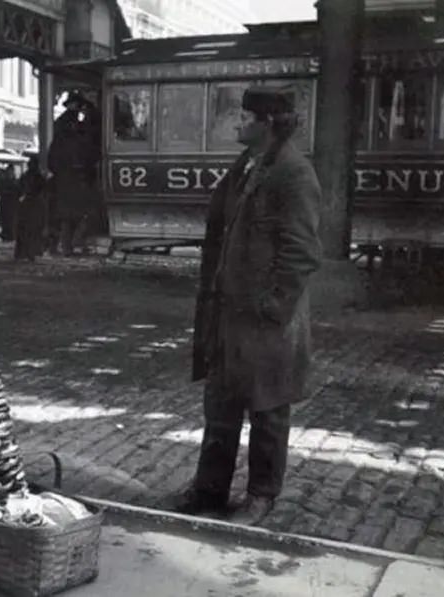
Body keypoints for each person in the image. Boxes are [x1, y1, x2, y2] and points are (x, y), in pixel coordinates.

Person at [174, 86, 323, 526]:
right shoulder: (245, 167)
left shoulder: (293, 174)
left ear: (269, 123)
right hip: (228, 316)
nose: (235, 123)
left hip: (265, 322)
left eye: (244, 116)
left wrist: (271, 308)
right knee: (220, 404)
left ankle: (261, 496)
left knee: (267, 409)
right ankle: (209, 489)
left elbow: (301, 252)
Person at [48, 91, 99, 256]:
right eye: (78, 105)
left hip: (67, 174)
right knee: (69, 214)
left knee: (68, 214)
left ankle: (66, 245)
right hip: (70, 174)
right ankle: (66, 245)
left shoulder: (67, 123)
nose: (79, 109)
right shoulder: (68, 125)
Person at [15, 155, 47, 261]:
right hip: (35, 204)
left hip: (27, 203)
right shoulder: (38, 177)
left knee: (25, 229)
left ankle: (23, 253)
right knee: (33, 229)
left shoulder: (26, 176)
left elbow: (19, 189)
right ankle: (31, 252)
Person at [0, 164, 20, 242]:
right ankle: (6, 235)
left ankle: (10, 236)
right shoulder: (5, 182)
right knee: (6, 222)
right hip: (6, 205)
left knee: (11, 222)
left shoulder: (15, 182)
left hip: (12, 206)